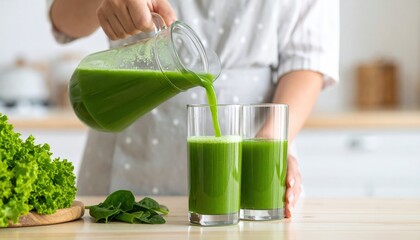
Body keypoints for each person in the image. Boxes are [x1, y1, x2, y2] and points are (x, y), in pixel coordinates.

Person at [48, 0, 339, 218]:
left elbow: (308, 57)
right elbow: (63, 22)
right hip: (129, 138)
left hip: (252, 146)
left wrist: (270, 141)